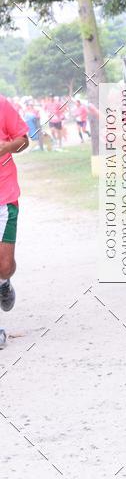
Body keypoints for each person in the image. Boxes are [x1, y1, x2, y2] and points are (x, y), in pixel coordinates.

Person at [0, 94, 29, 349]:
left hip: (4, 195)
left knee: (5, 264)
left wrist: (6, 147)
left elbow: (23, 140)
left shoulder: (1, 104)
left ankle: (4, 282)